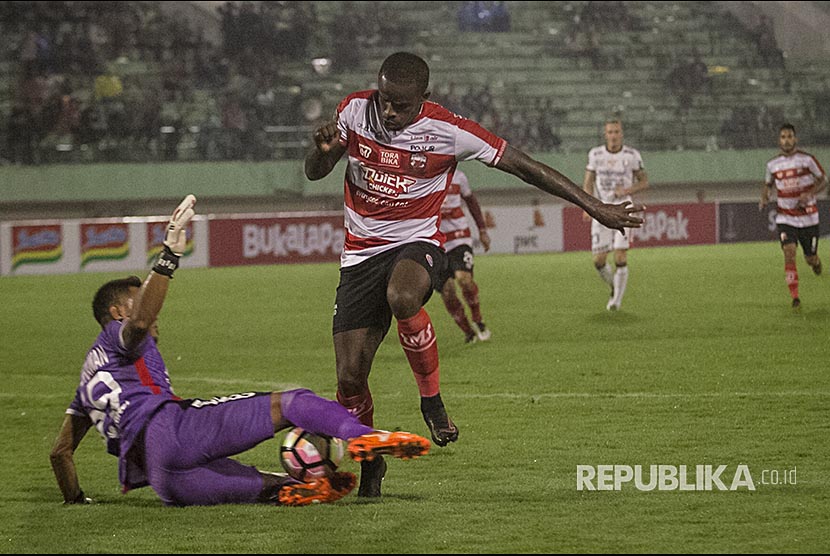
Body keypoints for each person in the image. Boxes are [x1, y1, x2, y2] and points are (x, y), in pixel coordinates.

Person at [304, 52, 643, 498]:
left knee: (403, 297)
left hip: (416, 243)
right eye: (384, 99)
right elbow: (315, 172)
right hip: (359, 253)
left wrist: (592, 205)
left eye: (400, 105)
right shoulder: (353, 110)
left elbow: (524, 166)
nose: (388, 111)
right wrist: (322, 153)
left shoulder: (449, 130)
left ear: (424, 98)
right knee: (349, 378)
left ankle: (432, 401)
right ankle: (372, 459)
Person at [49, 195, 430, 507]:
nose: (149, 310)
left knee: (271, 489)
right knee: (292, 403)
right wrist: (168, 255)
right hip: (175, 432)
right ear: (116, 313)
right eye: (137, 299)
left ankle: (300, 484)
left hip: (165, 481)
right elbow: (140, 324)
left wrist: (76, 499)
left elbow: (60, 452)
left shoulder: (87, 382)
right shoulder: (118, 333)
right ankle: (362, 435)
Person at [582, 118, 649, 311]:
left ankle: (616, 302)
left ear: (622, 134)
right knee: (598, 261)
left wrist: (627, 189)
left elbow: (644, 181)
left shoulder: (632, 155)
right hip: (601, 210)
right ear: (605, 134)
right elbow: (588, 181)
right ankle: (614, 286)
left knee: (620, 257)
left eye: (616, 132)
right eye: (610, 132)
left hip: (623, 209)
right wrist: (587, 205)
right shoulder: (595, 155)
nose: (613, 136)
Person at [760, 123, 827, 309]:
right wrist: (764, 197)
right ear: (779, 140)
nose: (786, 140)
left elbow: (823, 179)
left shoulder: (807, 160)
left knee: (809, 258)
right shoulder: (772, 165)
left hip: (808, 218)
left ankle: (816, 262)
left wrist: (810, 193)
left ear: (795, 139)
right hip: (785, 217)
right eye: (783, 137)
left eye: (789, 136)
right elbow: (768, 184)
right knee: (789, 253)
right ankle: (795, 297)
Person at [436, 169, 492, 343]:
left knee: (464, 279)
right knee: (447, 291)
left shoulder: (459, 176)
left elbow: (471, 202)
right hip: (434, 241)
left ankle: (478, 319)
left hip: (459, 236)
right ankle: (468, 332)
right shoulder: (421, 174)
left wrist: (482, 231)